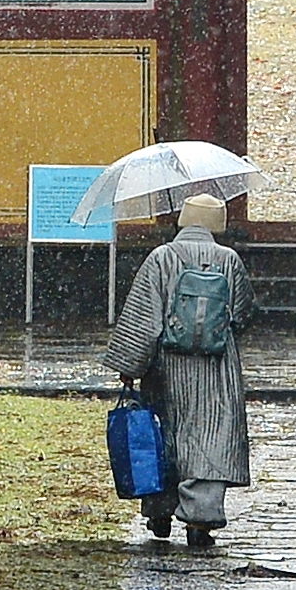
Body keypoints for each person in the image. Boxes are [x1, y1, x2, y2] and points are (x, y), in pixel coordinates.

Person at [103, 191, 251, 547]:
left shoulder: (161, 258)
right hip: (216, 369)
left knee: (163, 436)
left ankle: (159, 510)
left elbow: (143, 318)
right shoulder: (229, 260)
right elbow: (243, 313)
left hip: (166, 368)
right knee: (211, 438)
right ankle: (201, 520)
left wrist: (129, 366)